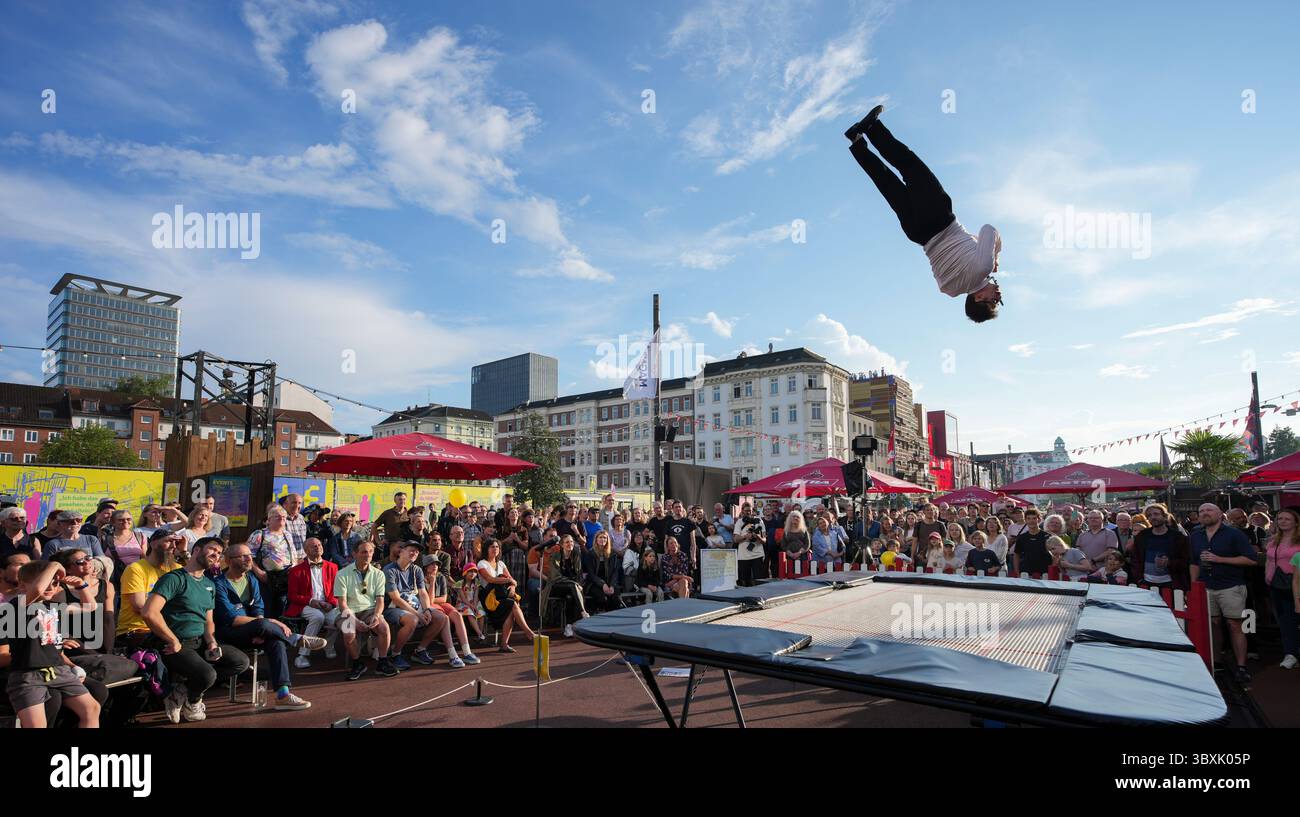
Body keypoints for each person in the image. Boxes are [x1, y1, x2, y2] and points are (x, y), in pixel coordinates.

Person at [845, 104, 1002, 322]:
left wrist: (996, 256)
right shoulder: (950, 290)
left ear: (978, 298)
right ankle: (857, 142)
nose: (998, 295)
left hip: (940, 218)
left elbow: (989, 229)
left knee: (910, 166)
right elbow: (954, 256)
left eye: (994, 301)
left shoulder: (983, 266)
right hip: (918, 234)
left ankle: (873, 128)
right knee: (887, 184)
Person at [141, 538, 251, 723]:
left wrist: (212, 642)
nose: (216, 555)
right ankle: (194, 701)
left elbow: (208, 620)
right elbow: (149, 612)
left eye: (219, 553)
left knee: (240, 662)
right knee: (208, 675)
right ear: (197, 550)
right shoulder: (174, 579)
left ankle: (181, 690)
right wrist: (172, 640)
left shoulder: (209, 584)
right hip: (173, 644)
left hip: (199, 641)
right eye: (212, 550)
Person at [212, 541, 323, 710]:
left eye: (250, 555)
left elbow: (258, 607)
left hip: (254, 629)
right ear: (228, 560)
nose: (249, 559)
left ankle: (283, 695)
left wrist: (262, 628)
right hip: (228, 633)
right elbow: (231, 619)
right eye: (244, 556)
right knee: (266, 623)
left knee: (276, 642)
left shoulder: (251, 579)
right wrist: (267, 622)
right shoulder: (218, 584)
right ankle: (295, 639)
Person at [0, 560, 101, 728]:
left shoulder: (54, 606)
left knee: (91, 708)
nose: (50, 587)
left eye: (55, 583)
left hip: (58, 670)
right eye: (47, 581)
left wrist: (82, 586)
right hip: (28, 675)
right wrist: (55, 565)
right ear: (23, 586)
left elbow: (90, 607)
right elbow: (38, 589)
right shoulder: (18, 605)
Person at [1189, 503, 1260, 683]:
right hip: (1206, 585)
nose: (1205, 513)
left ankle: (1241, 666)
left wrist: (1219, 559)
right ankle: (1216, 662)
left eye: (1209, 510)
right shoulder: (1196, 536)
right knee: (1213, 624)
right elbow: (1194, 562)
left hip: (1231, 585)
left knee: (1235, 625)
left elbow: (1251, 560)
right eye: (1201, 511)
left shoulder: (1234, 534)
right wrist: (1194, 584)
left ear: (1220, 514)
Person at [333, 541, 398, 680]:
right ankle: (357, 663)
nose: (367, 555)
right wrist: (354, 620)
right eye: (363, 552)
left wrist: (377, 615)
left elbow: (380, 601)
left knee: (384, 628)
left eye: (370, 551)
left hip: (370, 610)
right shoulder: (342, 574)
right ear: (354, 554)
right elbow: (342, 604)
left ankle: (382, 662)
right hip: (348, 611)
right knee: (348, 631)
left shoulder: (379, 574)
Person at [383, 541, 448, 669]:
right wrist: (418, 613)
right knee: (412, 620)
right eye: (411, 550)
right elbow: (395, 598)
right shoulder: (389, 570)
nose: (414, 553)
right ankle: (395, 654)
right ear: (401, 552)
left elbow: (423, 593)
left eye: (417, 552)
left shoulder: (416, 569)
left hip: (413, 605)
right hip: (392, 607)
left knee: (441, 618)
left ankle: (420, 650)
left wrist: (427, 609)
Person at [116, 530, 183, 647]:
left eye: (176, 543)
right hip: (137, 630)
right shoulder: (136, 569)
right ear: (152, 543)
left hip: (169, 628)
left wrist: (184, 552)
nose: (173, 546)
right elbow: (140, 607)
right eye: (169, 541)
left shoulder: (177, 569)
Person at [285, 537, 340, 669]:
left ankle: (329, 645)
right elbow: (292, 595)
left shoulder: (333, 567)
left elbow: (337, 590)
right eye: (313, 546)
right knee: (318, 617)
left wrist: (331, 603)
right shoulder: (295, 570)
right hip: (305, 605)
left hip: (328, 604)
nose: (317, 547)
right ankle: (303, 654)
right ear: (305, 551)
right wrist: (311, 601)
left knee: (340, 618)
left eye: (319, 544)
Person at [477, 539, 536, 651]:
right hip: (489, 598)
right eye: (492, 547)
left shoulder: (501, 563)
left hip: (502, 596)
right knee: (512, 605)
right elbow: (490, 579)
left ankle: (504, 645)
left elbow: (513, 581)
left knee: (511, 608)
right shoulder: (482, 563)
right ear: (486, 549)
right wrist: (508, 580)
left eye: (497, 547)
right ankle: (528, 633)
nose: (495, 549)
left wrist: (512, 587)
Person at [248, 503, 303, 619]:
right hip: (266, 578)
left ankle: (279, 633)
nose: (281, 518)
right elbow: (248, 556)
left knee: (282, 609)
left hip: (286, 578)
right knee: (266, 608)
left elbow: (293, 554)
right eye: (277, 516)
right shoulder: (259, 534)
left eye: (284, 516)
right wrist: (259, 572)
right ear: (268, 520)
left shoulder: (287, 534)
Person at [1263, 507, 1300, 670]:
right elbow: (1269, 560)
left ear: (1296, 523)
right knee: (1284, 620)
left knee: (1295, 618)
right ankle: (1290, 653)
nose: (1282, 521)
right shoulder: (1273, 540)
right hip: (1276, 585)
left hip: (1295, 584)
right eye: (1280, 519)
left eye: (1287, 519)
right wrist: (1267, 576)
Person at [422, 559, 480, 664]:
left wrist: (432, 598)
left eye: (437, 564)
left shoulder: (441, 577)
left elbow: (443, 598)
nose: (435, 566)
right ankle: (453, 655)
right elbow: (428, 602)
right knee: (446, 618)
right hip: (427, 606)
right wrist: (432, 582)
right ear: (426, 567)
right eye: (431, 564)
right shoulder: (421, 578)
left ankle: (467, 652)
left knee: (457, 615)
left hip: (440, 603)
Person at [1127, 503, 1190, 590]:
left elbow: (1186, 560)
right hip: (1146, 583)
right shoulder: (1142, 536)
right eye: (1149, 515)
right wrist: (1139, 578)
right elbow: (1135, 558)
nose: (1153, 517)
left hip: (1171, 584)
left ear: (1164, 516)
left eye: (1156, 514)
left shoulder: (1178, 537)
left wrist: (1169, 563)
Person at [543, 535, 588, 637]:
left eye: (571, 542)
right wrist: (575, 584)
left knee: (570, 598)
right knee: (572, 586)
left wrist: (578, 584)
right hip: (556, 586)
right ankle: (584, 612)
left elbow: (579, 574)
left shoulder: (576, 554)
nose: (570, 544)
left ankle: (569, 626)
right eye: (567, 542)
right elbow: (556, 576)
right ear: (561, 545)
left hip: (572, 588)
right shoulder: (555, 556)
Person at [583, 531, 625, 613]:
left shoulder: (612, 554)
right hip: (594, 584)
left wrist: (612, 585)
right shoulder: (590, 554)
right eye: (600, 537)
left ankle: (612, 620)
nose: (603, 539)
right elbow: (591, 574)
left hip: (610, 582)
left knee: (617, 599)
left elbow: (615, 572)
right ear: (596, 539)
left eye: (605, 537)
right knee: (602, 599)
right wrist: (603, 584)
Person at [40, 511, 105, 560]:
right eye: (71, 521)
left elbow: (101, 561)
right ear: (59, 523)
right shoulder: (53, 544)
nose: (75, 523)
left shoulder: (91, 539)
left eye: (78, 520)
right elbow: (48, 567)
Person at [733, 503, 768, 587]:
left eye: (750, 510)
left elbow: (764, 540)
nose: (748, 512)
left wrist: (758, 537)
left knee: (759, 580)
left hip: (757, 555)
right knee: (745, 581)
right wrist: (746, 536)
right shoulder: (739, 522)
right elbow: (736, 539)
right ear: (742, 511)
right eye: (746, 511)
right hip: (744, 556)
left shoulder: (759, 521)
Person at [1013, 509, 1051, 577]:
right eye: (1028, 518)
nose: (1031, 521)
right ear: (1025, 520)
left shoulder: (1047, 536)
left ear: (1039, 520)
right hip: (1025, 574)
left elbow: (1054, 556)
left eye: (1034, 518)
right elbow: (1016, 555)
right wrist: (1017, 572)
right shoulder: (1022, 537)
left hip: (1044, 574)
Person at [454, 564, 486, 641]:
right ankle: (479, 633)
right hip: (462, 603)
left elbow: (476, 595)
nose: (473, 574)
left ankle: (480, 634)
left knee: (481, 613)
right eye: (470, 571)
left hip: (473, 602)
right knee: (470, 613)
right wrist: (471, 606)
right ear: (465, 572)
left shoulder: (476, 582)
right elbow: (463, 598)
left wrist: (474, 605)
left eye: (475, 572)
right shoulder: (460, 583)